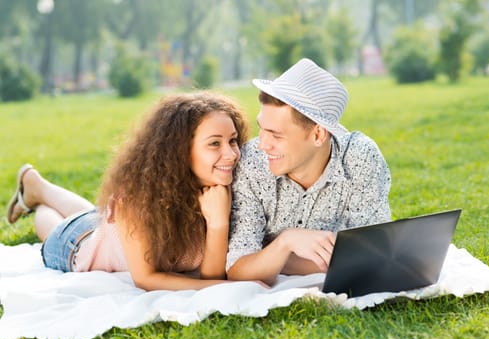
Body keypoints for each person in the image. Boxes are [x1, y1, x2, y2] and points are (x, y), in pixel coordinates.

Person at [6, 92, 249, 291]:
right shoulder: (139, 200)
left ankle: (36, 185)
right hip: (73, 247)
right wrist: (221, 287)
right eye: (214, 143)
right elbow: (146, 278)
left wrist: (218, 223)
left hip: (107, 234)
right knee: (58, 230)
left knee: (97, 218)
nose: (231, 154)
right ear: (180, 151)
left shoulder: (222, 190)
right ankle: (37, 200)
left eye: (233, 141)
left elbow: (210, 274)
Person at [226, 58, 391, 285]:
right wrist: (286, 242)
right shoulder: (251, 162)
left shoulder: (359, 158)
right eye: (261, 128)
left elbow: (373, 258)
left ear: (318, 135)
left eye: (276, 134)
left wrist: (270, 254)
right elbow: (238, 269)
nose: (263, 144)